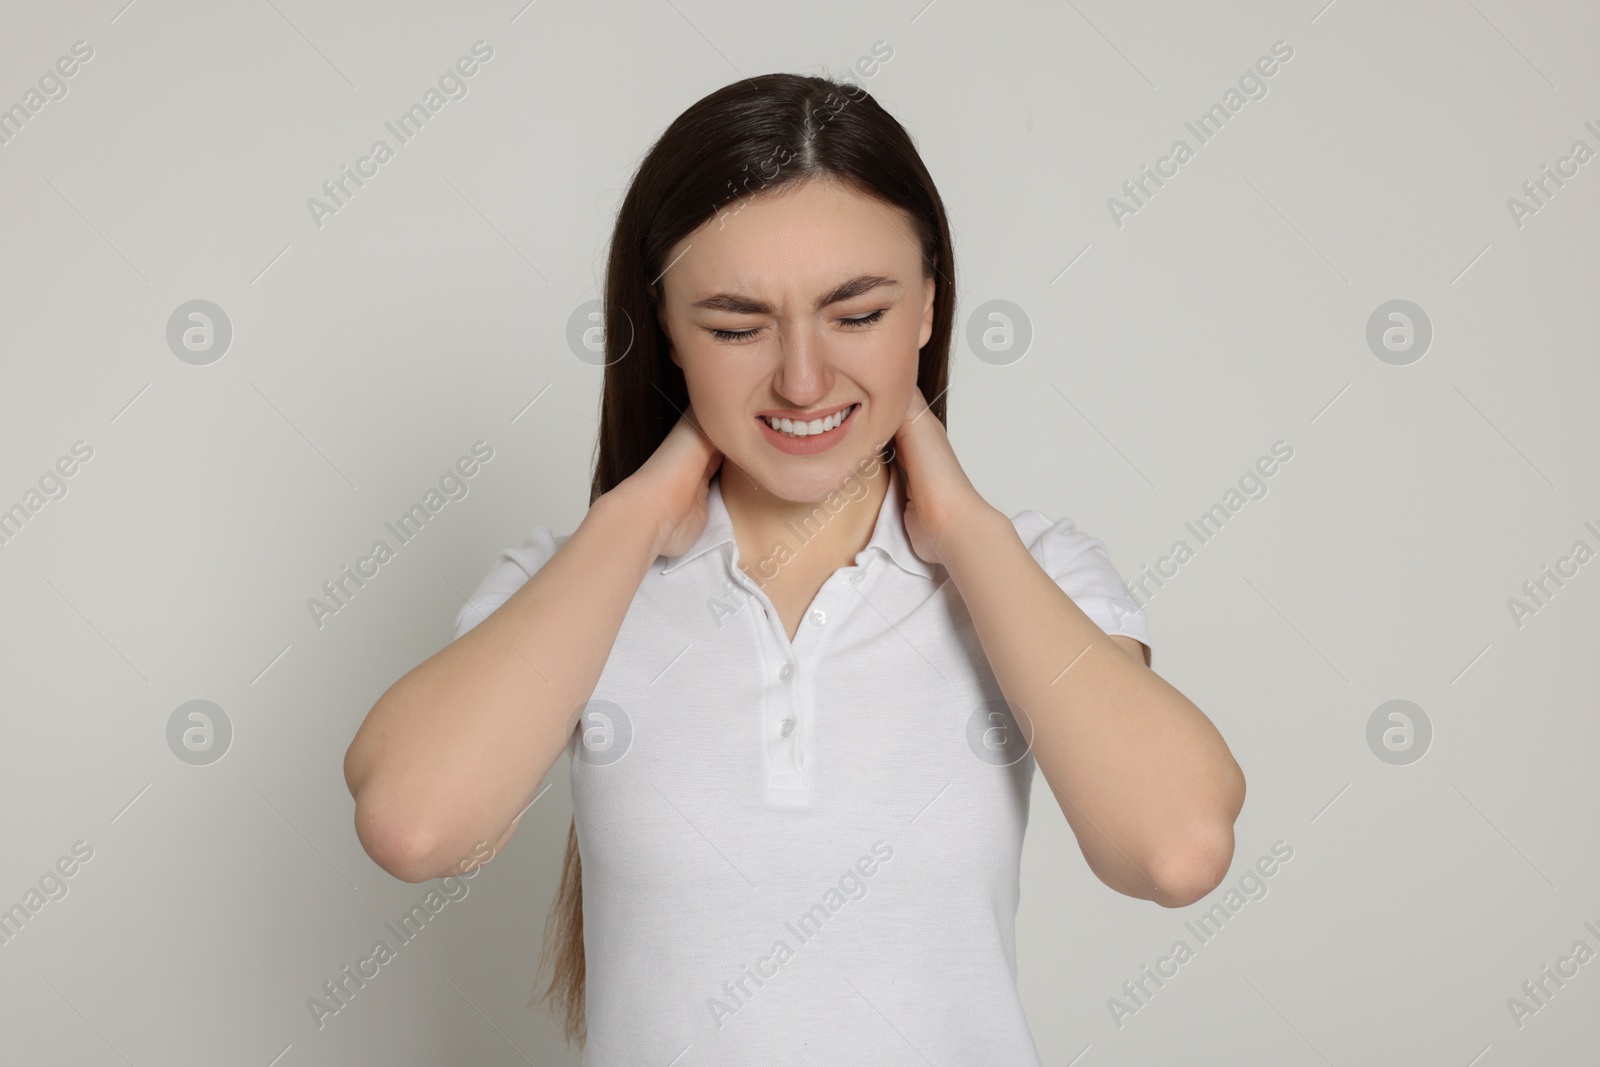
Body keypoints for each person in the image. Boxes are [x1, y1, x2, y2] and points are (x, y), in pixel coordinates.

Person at [344, 72, 1245, 1064]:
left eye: (855, 313)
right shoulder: (572, 586)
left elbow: (1176, 849)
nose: (803, 378)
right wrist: (637, 511)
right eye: (735, 326)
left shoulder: (1032, 573)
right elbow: (415, 824)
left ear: (930, 306)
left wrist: (962, 527)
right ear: (668, 334)